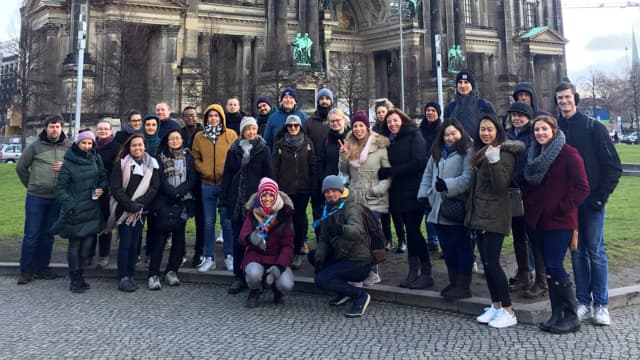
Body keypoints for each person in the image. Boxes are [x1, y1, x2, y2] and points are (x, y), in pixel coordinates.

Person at [556, 81, 622, 326]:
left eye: (567, 97)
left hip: (591, 200)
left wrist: (599, 197)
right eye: (559, 98)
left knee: (596, 251)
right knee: (576, 252)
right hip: (568, 204)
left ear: (575, 98)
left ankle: (601, 305)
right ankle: (583, 302)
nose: (563, 101)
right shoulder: (556, 128)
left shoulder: (593, 127)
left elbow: (613, 166)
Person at [523, 115, 589, 334]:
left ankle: (571, 315)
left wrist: (560, 208)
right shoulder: (534, 153)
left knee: (555, 265)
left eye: (544, 129)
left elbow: (582, 187)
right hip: (537, 219)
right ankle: (556, 313)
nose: (540, 133)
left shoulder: (568, 153)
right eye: (536, 130)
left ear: (553, 130)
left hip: (559, 220)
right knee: (549, 268)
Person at [466, 114, 523, 328]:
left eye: (490, 129)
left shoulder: (504, 153)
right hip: (479, 213)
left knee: (493, 262)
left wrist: (494, 161)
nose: (486, 133)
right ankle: (496, 305)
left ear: (498, 131)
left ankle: (509, 311)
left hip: (495, 214)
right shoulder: (480, 152)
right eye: (482, 129)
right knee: (486, 264)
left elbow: (501, 185)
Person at [418, 118, 473, 300]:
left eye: (453, 133)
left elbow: (468, 178)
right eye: (446, 134)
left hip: (457, 206)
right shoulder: (437, 152)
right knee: (447, 248)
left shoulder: (468, 150)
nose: (450, 138)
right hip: (437, 207)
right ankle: (453, 281)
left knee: (462, 247)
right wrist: (423, 195)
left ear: (460, 132)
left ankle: (464, 285)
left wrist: (447, 185)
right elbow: (427, 174)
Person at [377, 109, 433, 289]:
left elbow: (418, 162)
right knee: (411, 233)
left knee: (414, 231)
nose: (392, 124)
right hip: (398, 193)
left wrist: (391, 172)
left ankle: (425, 272)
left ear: (403, 120)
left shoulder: (414, 136)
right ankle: (413, 271)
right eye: (389, 122)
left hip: (414, 191)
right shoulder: (390, 140)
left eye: (395, 120)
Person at [220, 116, 273, 294]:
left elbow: (269, 175)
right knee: (238, 239)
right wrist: (224, 200)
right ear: (242, 131)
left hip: (256, 201)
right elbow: (227, 176)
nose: (251, 132)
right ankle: (238, 275)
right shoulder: (233, 150)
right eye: (247, 129)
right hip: (236, 201)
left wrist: (267, 200)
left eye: (253, 128)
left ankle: (257, 275)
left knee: (257, 239)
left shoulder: (263, 149)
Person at [16, 114, 71, 284]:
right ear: (46, 128)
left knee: (48, 235)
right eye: (51, 126)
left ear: (61, 128)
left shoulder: (69, 146)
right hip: (36, 197)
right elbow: (21, 168)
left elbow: (77, 166)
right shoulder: (35, 146)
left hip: (56, 198)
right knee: (32, 234)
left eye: (57, 126)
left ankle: (42, 267)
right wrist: (32, 184)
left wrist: (65, 166)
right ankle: (26, 270)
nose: (54, 129)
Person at [338, 110, 390, 286]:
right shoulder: (349, 143)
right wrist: (343, 155)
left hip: (374, 197)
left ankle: (374, 271)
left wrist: (376, 190)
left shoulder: (380, 146)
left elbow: (387, 174)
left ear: (367, 127)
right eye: (355, 126)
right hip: (355, 196)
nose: (358, 129)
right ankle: (361, 272)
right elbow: (344, 172)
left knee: (372, 235)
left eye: (361, 125)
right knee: (358, 237)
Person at [52, 129, 107, 292]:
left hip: (91, 208)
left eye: (90, 143)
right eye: (84, 142)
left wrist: (101, 188)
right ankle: (74, 278)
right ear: (78, 143)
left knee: (87, 247)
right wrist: (71, 204)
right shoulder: (68, 163)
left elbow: (104, 176)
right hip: (75, 210)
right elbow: (60, 188)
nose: (87, 146)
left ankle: (81, 275)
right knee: (75, 245)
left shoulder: (96, 158)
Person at [311, 175, 372, 318]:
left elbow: (357, 231)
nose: (330, 194)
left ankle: (360, 296)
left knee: (321, 280)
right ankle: (343, 291)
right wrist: (320, 260)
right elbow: (323, 239)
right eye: (327, 191)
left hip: (358, 261)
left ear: (340, 190)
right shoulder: (328, 208)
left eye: (334, 190)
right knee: (314, 256)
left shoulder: (351, 207)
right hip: (342, 255)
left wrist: (341, 229)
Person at [108, 134, 159, 292]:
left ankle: (131, 274)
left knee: (135, 244)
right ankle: (123, 276)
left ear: (145, 146)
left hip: (140, 211)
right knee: (125, 243)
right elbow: (116, 188)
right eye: (134, 145)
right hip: (124, 210)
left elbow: (154, 187)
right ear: (129, 148)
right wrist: (129, 204)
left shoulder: (152, 164)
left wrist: (140, 203)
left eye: (140, 145)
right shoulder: (122, 164)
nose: (137, 148)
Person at [146, 130, 197, 290]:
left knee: (179, 239)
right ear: (166, 141)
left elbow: (192, 177)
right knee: (159, 239)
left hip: (183, 200)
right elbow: (159, 178)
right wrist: (172, 193)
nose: (174, 141)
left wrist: (180, 191)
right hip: (163, 201)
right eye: (171, 138)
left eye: (177, 138)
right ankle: (153, 274)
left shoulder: (188, 156)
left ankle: (172, 270)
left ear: (182, 139)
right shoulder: (159, 156)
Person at [504, 102, 546, 298]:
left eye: (521, 115)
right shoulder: (507, 135)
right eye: (514, 115)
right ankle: (523, 274)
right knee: (518, 235)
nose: (517, 118)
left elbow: (532, 163)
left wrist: (516, 178)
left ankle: (541, 279)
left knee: (534, 236)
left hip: (530, 191)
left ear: (528, 117)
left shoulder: (534, 136)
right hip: (512, 192)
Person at [192, 104, 238, 272]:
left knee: (227, 223)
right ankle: (209, 257)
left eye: (216, 116)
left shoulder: (231, 135)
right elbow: (195, 157)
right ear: (206, 119)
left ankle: (229, 256)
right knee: (208, 222)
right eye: (210, 116)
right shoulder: (199, 137)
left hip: (226, 186)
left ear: (221, 118)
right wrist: (204, 170)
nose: (213, 118)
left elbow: (236, 156)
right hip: (207, 185)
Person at [239, 177, 295, 308]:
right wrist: (251, 238)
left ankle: (277, 290)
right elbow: (242, 238)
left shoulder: (285, 214)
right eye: (264, 195)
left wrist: (280, 266)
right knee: (253, 274)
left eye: (271, 195)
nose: (267, 199)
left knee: (286, 285)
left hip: (277, 257)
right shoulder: (252, 212)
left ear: (276, 195)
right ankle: (255, 291)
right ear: (259, 197)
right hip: (256, 256)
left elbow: (288, 245)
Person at [272, 115, 317, 269]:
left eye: (296, 125)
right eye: (290, 125)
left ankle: (297, 251)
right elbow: (275, 169)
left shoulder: (308, 143)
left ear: (300, 127)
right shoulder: (279, 145)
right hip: (285, 190)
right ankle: (284, 250)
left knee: (298, 221)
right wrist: (275, 189)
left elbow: (313, 167)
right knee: (284, 221)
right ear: (286, 127)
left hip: (303, 190)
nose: (292, 128)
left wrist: (313, 187)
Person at [371, 99, 402, 252]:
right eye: (378, 113)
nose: (381, 115)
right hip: (381, 173)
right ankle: (387, 239)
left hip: (395, 172)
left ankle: (402, 240)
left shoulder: (394, 128)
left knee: (396, 210)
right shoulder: (374, 130)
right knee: (383, 210)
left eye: (383, 112)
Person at [303, 88, 333, 239]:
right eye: (322, 98)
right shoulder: (308, 123)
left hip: (333, 172)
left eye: (327, 99)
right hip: (314, 172)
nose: (324, 101)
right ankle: (320, 238)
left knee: (334, 208)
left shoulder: (336, 120)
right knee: (317, 208)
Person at [92, 121, 119, 269]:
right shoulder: (91, 146)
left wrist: (109, 187)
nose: (103, 131)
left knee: (105, 225)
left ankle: (103, 256)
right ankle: (88, 253)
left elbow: (117, 170)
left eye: (106, 129)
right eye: (100, 128)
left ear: (110, 131)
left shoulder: (115, 147)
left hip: (107, 191)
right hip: (91, 190)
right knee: (90, 222)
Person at [181, 106, 205, 267]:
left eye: (193, 115)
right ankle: (181, 252)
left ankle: (199, 252)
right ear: (183, 118)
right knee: (181, 218)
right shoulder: (179, 133)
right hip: (183, 180)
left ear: (197, 117)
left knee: (201, 220)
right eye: (187, 115)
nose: (190, 118)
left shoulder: (203, 133)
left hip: (200, 180)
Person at [419, 101, 443, 254]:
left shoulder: (442, 129)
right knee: (428, 206)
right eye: (428, 110)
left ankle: (441, 240)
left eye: (433, 110)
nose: (430, 113)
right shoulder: (420, 129)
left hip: (439, 169)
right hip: (424, 171)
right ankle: (432, 240)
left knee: (439, 207)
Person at [443, 69, 496, 135]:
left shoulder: (485, 106)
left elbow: (494, 130)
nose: (463, 85)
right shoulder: (449, 108)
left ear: (472, 85)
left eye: (466, 82)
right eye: (460, 82)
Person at [318, 108, 350, 183]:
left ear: (344, 120)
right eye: (332, 121)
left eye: (338, 120)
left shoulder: (351, 138)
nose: (335, 123)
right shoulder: (326, 140)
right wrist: (323, 179)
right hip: (331, 184)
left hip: (349, 184)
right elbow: (320, 163)